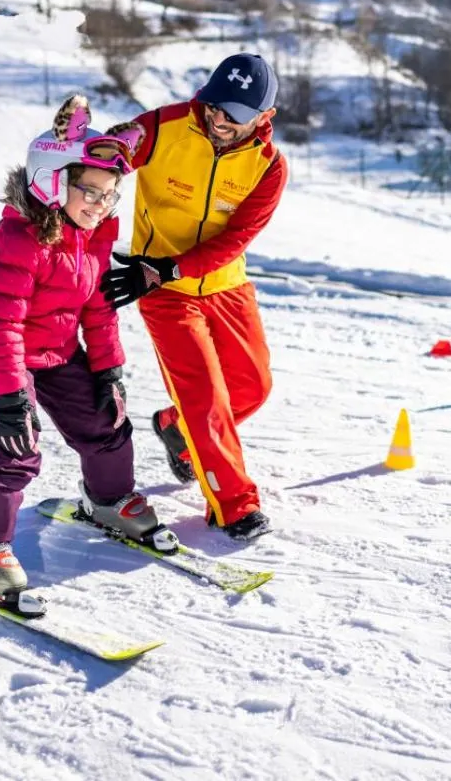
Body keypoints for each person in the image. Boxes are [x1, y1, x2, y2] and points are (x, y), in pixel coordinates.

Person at [0, 94, 176, 613]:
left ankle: (108, 501)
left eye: (110, 194)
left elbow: (97, 306)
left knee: (105, 418)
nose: (99, 203)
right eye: (88, 189)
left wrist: (109, 366)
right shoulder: (19, 238)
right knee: (14, 449)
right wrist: (7, 400)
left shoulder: (94, 235)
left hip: (55, 346)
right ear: (53, 180)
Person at [99, 53, 288, 542]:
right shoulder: (165, 127)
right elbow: (111, 155)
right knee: (205, 396)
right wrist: (95, 151)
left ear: (264, 118)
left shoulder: (269, 166)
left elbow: (237, 237)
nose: (218, 119)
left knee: (252, 388)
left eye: (234, 115)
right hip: (161, 290)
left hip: (224, 283)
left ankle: (173, 426)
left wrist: (175, 267)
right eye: (213, 106)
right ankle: (233, 505)